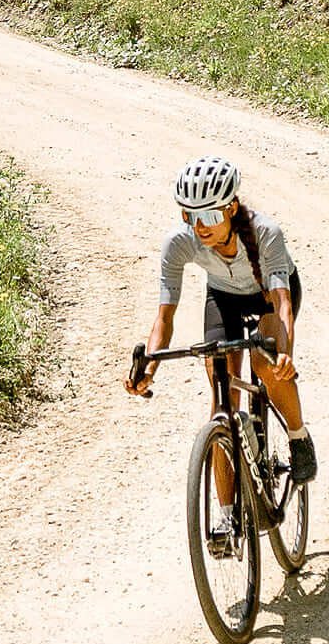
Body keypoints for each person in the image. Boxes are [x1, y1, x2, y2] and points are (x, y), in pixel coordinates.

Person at [128, 153, 316, 550]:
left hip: (268, 296)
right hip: (224, 299)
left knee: (265, 366)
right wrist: (150, 367)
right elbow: (165, 317)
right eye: (189, 216)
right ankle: (228, 518)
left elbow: (281, 302)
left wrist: (284, 352)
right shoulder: (178, 244)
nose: (200, 228)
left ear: (231, 209)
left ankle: (298, 438)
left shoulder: (266, 233)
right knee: (220, 401)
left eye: (209, 217)